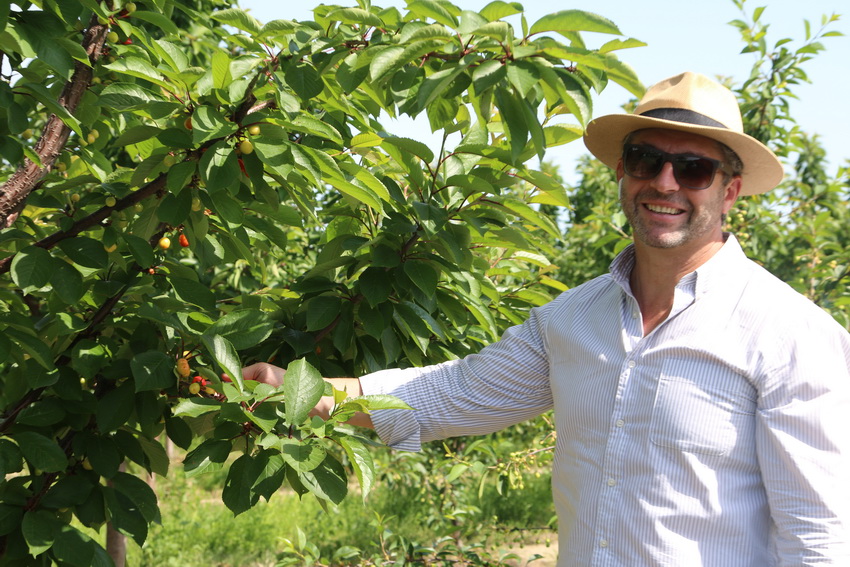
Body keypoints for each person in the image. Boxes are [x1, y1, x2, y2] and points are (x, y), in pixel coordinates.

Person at [244, 72, 850, 565]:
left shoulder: (789, 333)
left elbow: (819, 538)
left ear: (730, 190)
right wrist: (311, 394)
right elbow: (451, 392)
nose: (664, 183)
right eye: (645, 160)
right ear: (620, 172)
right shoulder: (572, 319)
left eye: (692, 169)